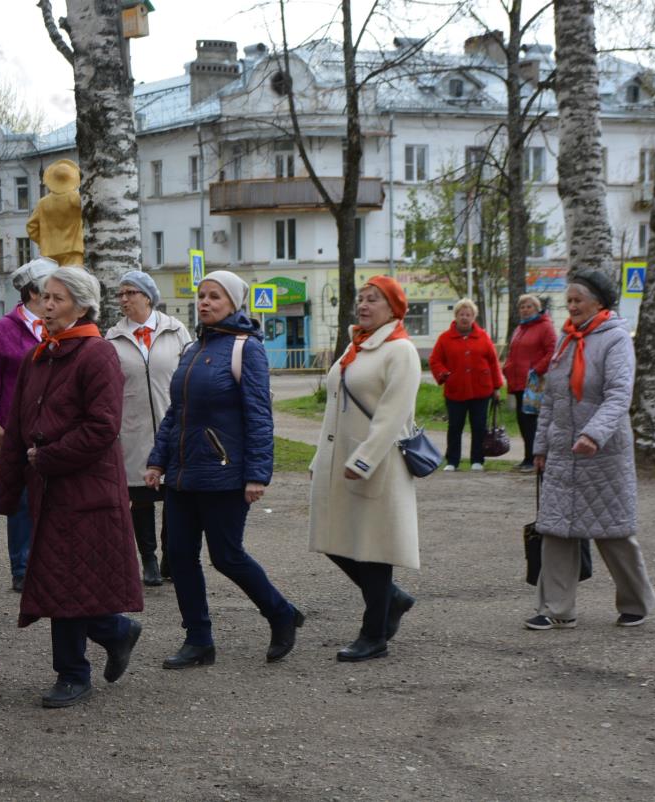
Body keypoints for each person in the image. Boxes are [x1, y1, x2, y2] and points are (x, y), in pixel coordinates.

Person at [0, 266, 144, 708]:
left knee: (66, 580)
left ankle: (74, 672)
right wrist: (8, 488)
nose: (47, 306)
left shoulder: (97, 354)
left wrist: (49, 457)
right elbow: (19, 429)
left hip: (86, 489)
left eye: (57, 299)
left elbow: (102, 428)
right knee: (60, 576)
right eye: (44, 298)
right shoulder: (39, 355)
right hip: (49, 488)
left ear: (81, 305)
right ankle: (114, 631)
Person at [145, 270, 303, 669]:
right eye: (201, 296)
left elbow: (259, 416)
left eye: (214, 296)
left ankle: (281, 613)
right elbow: (174, 415)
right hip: (183, 474)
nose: (205, 302)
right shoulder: (192, 348)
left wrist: (256, 474)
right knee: (179, 556)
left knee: (227, 556)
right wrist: (156, 460)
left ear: (234, 303)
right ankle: (198, 640)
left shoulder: (245, 348)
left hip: (225, 473)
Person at [526, 271, 655, 631]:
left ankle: (636, 603)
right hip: (563, 453)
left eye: (577, 301)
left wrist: (594, 434)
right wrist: (540, 446)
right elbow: (551, 399)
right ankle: (555, 608)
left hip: (602, 453)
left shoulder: (614, 339)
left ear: (598, 302)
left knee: (613, 532)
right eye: (568, 301)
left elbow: (618, 394)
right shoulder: (566, 339)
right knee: (555, 530)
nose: (570, 307)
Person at [308, 276, 421, 662]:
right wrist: (318, 459)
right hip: (340, 460)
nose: (364, 305)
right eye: (361, 298)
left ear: (393, 308)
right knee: (332, 537)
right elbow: (334, 407)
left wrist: (364, 459)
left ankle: (374, 634)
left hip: (377, 463)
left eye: (374, 300)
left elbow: (393, 415)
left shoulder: (399, 350)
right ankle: (393, 599)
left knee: (373, 549)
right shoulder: (357, 346)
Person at [105, 269, 192, 586]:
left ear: (147, 296)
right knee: (140, 498)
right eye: (121, 294)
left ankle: (171, 556)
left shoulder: (176, 331)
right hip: (133, 430)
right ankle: (149, 559)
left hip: (173, 429)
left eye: (130, 293)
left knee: (175, 498)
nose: (124, 299)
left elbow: (190, 375)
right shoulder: (112, 338)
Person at [0, 255, 58, 593]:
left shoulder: (62, 327)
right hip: (18, 429)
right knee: (24, 499)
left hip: (58, 428)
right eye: (51, 293)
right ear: (33, 294)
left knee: (58, 497)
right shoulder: (3, 331)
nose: (55, 299)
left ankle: (55, 562)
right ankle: (23, 567)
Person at [429, 298, 504, 471]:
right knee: (455, 427)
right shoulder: (444, 338)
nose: (464, 317)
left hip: (481, 390)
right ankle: (452, 461)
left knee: (479, 426)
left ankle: (477, 460)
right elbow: (435, 361)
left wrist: (497, 387)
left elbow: (493, 362)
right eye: (461, 314)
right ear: (456, 316)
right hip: (456, 391)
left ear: (473, 317)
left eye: (468, 314)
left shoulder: (483, 336)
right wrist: (444, 374)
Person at [503, 294, 557, 471]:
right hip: (519, 382)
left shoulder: (545, 327)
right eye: (522, 307)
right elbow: (513, 353)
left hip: (535, 383)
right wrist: (507, 368)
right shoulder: (520, 328)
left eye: (529, 306)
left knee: (532, 421)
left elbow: (552, 352)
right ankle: (527, 457)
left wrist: (537, 370)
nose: (525, 310)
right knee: (522, 420)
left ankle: (536, 458)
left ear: (537, 308)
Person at [25, 159, 84, 266]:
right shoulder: (76, 200)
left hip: (49, 253)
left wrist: (44, 240)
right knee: (73, 280)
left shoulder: (43, 203)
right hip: (73, 250)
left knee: (53, 281)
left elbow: (31, 227)